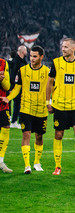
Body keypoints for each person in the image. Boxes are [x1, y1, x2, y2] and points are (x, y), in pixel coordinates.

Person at [46, 38, 75, 176]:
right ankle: (58, 166)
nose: (63, 49)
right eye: (62, 47)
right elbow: (49, 83)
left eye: (65, 47)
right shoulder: (56, 62)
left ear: (73, 49)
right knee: (59, 134)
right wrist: (48, 101)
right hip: (59, 104)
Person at [1, 46, 49, 174]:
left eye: (35, 56)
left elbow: (52, 89)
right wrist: (8, 98)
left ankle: (37, 162)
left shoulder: (47, 72)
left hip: (41, 110)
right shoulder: (22, 71)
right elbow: (17, 88)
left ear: (41, 57)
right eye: (31, 56)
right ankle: (27, 165)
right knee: (26, 134)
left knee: (39, 136)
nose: (32, 59)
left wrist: (51, 103)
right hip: (26, 108)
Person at [9, 45, 28, 128]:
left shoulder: (23, 61)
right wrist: (12, 86)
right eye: (26, 50)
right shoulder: (16, 61)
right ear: (23, 51)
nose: (27, 52)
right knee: (18, 103)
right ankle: (15, 121)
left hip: (23, 86)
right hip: (17, 86)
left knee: (19, 103)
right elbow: (13, 75)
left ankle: (16, 121)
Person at [0, 54, 12, 173]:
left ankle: (0, 161)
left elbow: (7, 86)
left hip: (2, 103)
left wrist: (2, 79)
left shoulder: (3, 63)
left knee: (6, 128)